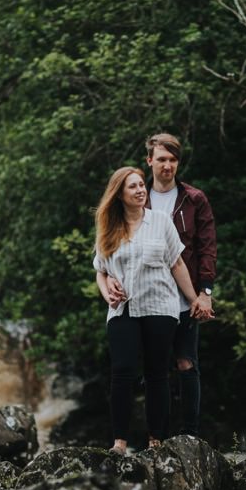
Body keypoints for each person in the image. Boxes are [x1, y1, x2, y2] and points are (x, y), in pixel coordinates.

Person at [105, 133, 216, 437]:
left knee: (185, 364)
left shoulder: (194, 199)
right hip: (145, 300)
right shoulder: (137, 196)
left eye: (173, 159)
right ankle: (156, 438)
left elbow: (206, 249)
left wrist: (204, 294)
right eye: (162, 159)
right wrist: (108, 279)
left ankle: (191, 439)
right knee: (151, 370)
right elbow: (107, 256)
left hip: (185, 295)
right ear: (149, 161)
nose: (167, 165)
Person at [93, 166, 200, 455]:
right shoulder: (109, 229)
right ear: (119, 194)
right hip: (123, 309)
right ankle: (119, 443)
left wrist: (194, 300)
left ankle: (156, 440)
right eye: (133, 187)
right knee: (122, 371)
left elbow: (177, 264)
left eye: (142, 185)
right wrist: (107, 293)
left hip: (160, 307)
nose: (141, 190)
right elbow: (100, 271)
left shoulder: (161, 221)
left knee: (156, 374)